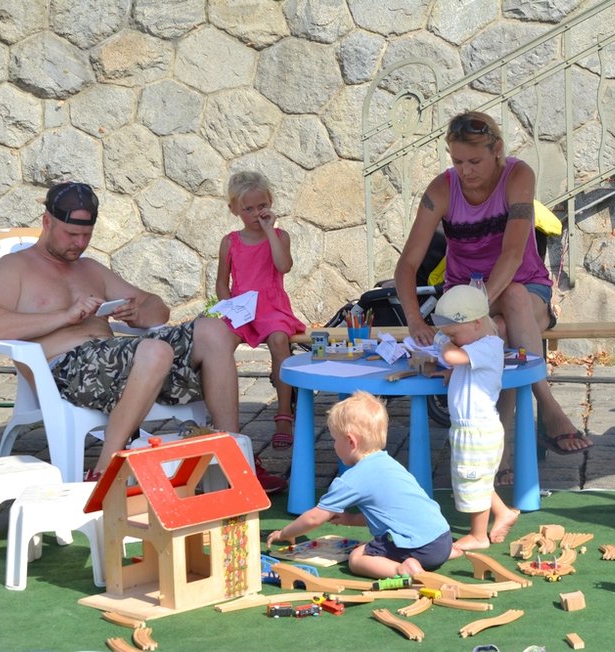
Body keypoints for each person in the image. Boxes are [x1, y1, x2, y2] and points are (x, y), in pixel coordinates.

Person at [0, 181, 286, 493]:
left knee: (213, 329)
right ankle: (105, 471)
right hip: (67, 371)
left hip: (128, 363)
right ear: (47, 222)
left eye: (86, 235)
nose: (79, 243)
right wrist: (65, 316)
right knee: (155, 351)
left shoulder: (90, 269)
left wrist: (139, 311)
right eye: (71, 234)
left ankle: (233, 457)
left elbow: (158, 309)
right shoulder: (15, 267)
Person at [394, 110, 593, 457]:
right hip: (464, 297)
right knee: (498, 331)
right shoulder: (442, 188)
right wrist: (414, 319)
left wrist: (477, 307)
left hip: (524, 287)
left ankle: (540, 411)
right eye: (457, 161)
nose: (466, 171)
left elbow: (513, 254)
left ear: (497, 149)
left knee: (512, 299)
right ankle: (503, 442)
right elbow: (407, 264)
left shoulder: (518, 175)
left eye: (475, 161)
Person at [266, 392, 452, 578]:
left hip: (419, 548)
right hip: (442, 541)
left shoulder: (351, 480)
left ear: (350, 441)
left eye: (334, 439)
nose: (334, 445)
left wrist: (284, 533)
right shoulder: (389, 464)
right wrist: (351, 519)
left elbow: (314, 518)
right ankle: (435, 558)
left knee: (357, 558)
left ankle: (403, 569)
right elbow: (389, 513)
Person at [216, 171, 305, 450]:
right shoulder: (230, 242)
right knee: (216, 344)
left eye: (261, 206)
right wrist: (228, 306)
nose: (256, 213)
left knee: (279, 340)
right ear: (234, 210)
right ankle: (222, 416)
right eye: (248, 209)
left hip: (271, 306)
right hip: (242, 306)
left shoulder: (280, 236)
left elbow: (283, 266)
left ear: (270, 203)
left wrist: (269, 231)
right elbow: (222, 282)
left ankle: (283, 414)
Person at [431, 284, 520, 553]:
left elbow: (450, 356)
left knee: (473, 480)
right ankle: (503, 513)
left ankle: (478, 534)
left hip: (479, 430)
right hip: (468, 429)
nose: (452, 339)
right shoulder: (474, 348)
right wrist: (451, 374)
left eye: (454, 333)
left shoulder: (489, 346)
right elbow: (463, 368)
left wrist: (442, 341)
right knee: (477, 480)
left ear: (478, 323)